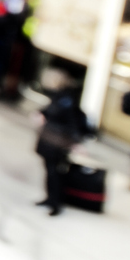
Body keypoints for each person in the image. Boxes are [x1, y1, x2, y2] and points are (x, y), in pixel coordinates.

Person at [35, 78, 90, 217]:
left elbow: (71, 121)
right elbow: (49, 111)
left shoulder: (67, 99)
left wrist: (76, 143)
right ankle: (50, 199)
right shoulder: (60, 96)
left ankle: (56, 203)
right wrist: (41, 113)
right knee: (50, 170)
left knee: (55, 172)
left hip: (58, 142)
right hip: (50, 140)